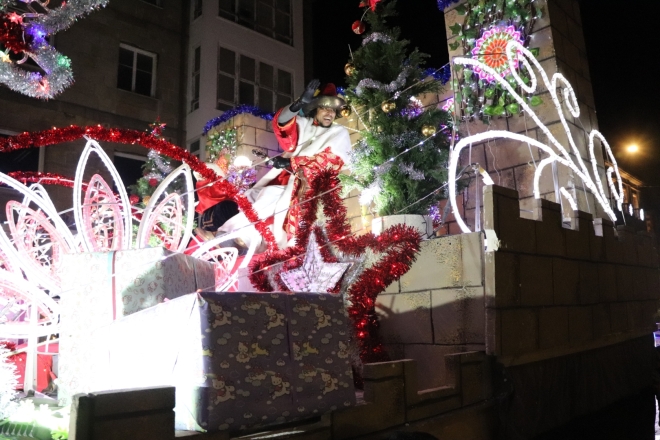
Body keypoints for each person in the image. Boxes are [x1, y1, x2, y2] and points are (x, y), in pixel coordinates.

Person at [195, 79, 351, 252]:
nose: (329, 113)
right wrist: (299, 103)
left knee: (269, 197)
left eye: (332, 109)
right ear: (316, 109)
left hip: (306, 187)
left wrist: (291, 163)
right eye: (324, 108)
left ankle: (236, 237)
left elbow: (330, 161)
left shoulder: (339, 133)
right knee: (250, 196)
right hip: (284, 178)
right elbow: (282, 124)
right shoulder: (305, 125)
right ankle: (233, 237)